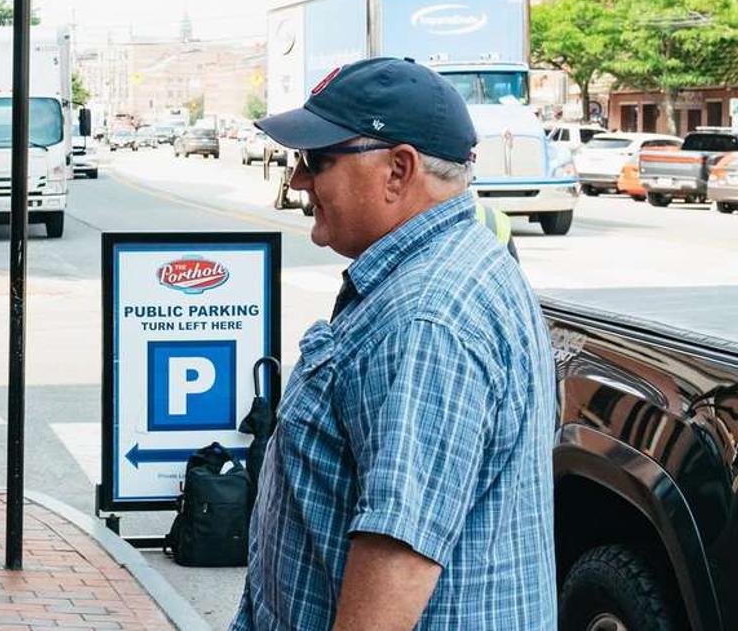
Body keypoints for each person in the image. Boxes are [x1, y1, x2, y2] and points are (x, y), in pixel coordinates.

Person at [231, 57, 555, 631]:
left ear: (399, 170)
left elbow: (398, 555)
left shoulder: (426, 317)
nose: (300, 180)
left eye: (317, 159)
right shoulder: (451, 267)